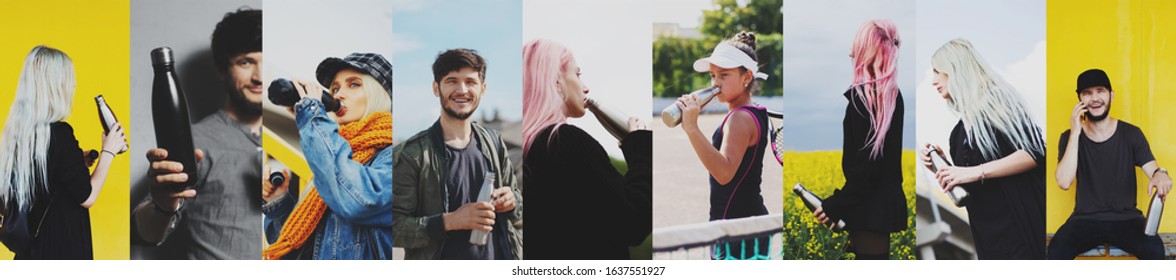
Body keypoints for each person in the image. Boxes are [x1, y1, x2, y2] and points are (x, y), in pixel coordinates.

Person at [131, 8, 265, 259]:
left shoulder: (301, 140)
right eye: (245, 62)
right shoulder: (195, 143)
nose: (260, 76)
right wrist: (162, 205)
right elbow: (144, 233)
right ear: (222, 70)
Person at [520, 39, 652, 260]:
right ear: (556, 83)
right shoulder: (564, 141)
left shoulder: (527, 147)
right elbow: (633, 223)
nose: (585, 87)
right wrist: (642, 156)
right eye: (577, 74)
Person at [260, 53, 395, 260]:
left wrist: (313, 118)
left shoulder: (393, 157)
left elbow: (361, 201)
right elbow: (300, 255)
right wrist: (277, 204)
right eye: (335, 88)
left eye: (354, 85)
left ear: (378, 94)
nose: (339, 95)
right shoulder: (334, 153)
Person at [921, 39, 1046, 259]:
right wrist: (944, 170)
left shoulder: (999, 104)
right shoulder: (956, 135)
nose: (933, 81)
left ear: (955, 69)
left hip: (1022, 231)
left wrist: (976, 170)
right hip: (988, 241)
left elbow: (1035, 153)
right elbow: (968, 196)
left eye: (937, 72)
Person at [391, 48, 523, 260]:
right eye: (452, 81)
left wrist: (512, 201)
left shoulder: (495, 142)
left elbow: (519, 209)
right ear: (436, 88)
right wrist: (450, 221)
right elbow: (393, 227)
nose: (462, 90)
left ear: (483, 89)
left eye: (470, 82)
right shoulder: (412, 154)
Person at [0, 46, 125, 260]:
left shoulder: (18, 135)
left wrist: (77, 163)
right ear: (55, 85)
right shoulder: (59, 134)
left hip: (31, 253)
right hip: (61, 247)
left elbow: (43, 179)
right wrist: (108, 152)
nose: (74, 84)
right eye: (69, 78)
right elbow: (87, 196)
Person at [1048, 68, 1171, 260]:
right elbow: (1064, 182)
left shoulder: (1131, 134)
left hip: (1128, 220)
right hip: (1084, 220)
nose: (1094, 98)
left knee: (1155, 250)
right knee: (1056, 251)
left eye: (1100, 91)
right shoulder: (1069, 137)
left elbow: (1154, 170)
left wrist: (1161, 174)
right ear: (1080, 99)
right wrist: (1075, 132)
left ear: (1111, 95)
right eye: (1087, 93)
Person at [812, 19, 906, 260]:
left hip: (868, 208)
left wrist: (835, 205)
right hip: (878, 208)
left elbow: (867, 169)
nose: (850, 52)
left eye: (856, 44)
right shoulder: (891, 96)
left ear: (868, 49)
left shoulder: (862, 98)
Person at [674, 31, 771, 260]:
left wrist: (691, 128)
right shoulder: (752, 112)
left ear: (747, 77)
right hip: (746, 225)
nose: (716, 83)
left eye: (724, 75)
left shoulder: (739, 118)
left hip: (737, 231)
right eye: (712, 76)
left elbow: (724, 173)